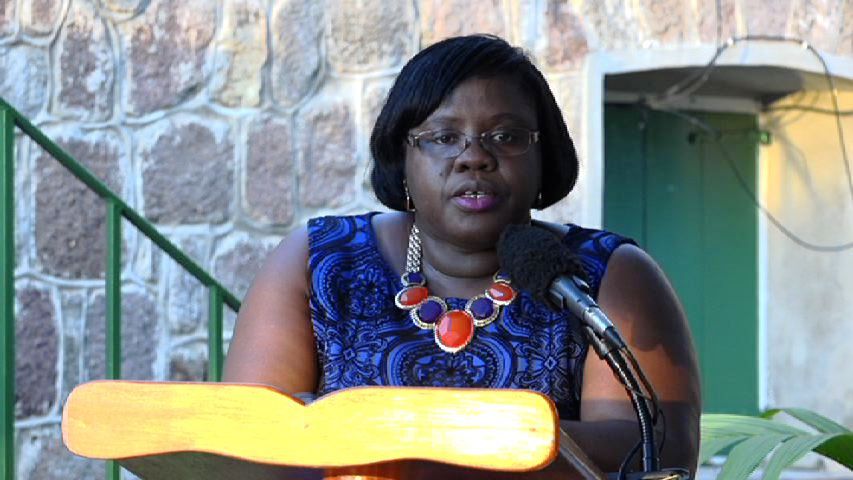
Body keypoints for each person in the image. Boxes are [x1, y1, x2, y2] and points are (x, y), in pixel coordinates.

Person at [223, 34, 701, 478]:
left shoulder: (605, 275)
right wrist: (490, 443)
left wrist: (395, 439)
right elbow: (244, 441)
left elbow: (650, 450)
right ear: (402, 157)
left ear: (542, 159)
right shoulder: (319, 262)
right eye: (443, 137)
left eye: (506, 136)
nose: (474, 157)